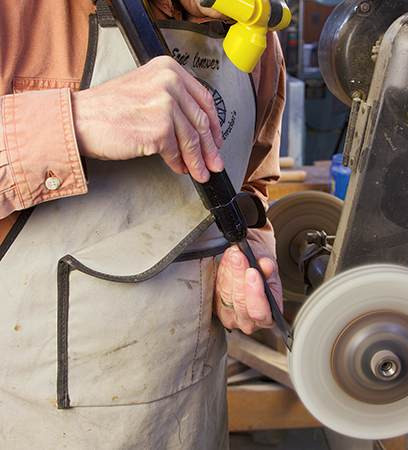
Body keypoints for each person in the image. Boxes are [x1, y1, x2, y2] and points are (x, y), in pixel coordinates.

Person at [0, 0, 285, 448]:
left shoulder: (261, 38)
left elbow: (253, 182)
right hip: (38, 422)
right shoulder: (20, 15)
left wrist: (247, 250)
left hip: (193, 417)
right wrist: (75, 121)